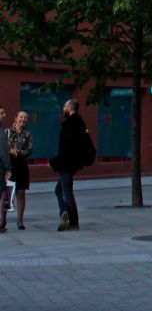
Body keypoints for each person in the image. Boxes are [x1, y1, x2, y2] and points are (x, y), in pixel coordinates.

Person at [51, 98, 87, 231]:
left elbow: (66, 147)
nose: (63, 108)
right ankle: (64, 212)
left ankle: (72, 220)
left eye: (65, 106)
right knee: (59, 190)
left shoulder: (71, 124)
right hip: (71, 162)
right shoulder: (80, 122)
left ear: (70, 108)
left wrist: (54, 162)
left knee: (66, 192)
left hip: (66, 164)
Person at [7, 111, 31, 230]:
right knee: (7, 194)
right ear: (16, 118)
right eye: (21, 117)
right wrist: (10, 151)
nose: (23, 119)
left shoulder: (28, 134)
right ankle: (2, 220)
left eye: (25, 118)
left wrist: (19, 152)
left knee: (21, 193)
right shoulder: (7, 132)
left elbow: (29, 150)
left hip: (22, 166)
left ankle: (20, 221)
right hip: (9, 166)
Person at [0, 105, 10, 232]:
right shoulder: (1, 134)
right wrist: (8, 169)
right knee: (1, 195)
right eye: (1, 113)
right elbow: (4, 154)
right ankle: (1, 221)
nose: (4, 115)